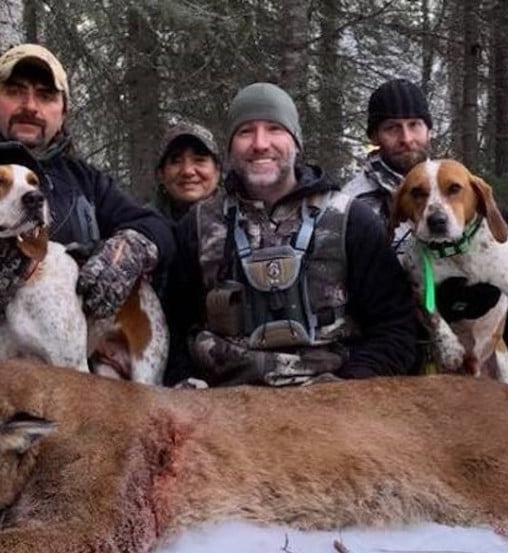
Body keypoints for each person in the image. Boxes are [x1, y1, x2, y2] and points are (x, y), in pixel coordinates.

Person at [0, 44, 175, 377]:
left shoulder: (85, 179)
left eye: (46, 96)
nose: (30, 106)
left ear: (63, 111)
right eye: (15, 91)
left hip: (81, 379)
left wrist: (129, 250)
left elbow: (157, 227)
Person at [164, 82, 418, 387]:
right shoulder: (198, 226)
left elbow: (396, 327)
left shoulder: (352, 220)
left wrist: (351, 387)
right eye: (245, 132)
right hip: (224, 409)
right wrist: (185, 386)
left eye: (274, 128)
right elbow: (172, 328)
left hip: (334, 405)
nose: (260, 143)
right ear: (230, 148)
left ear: (296, 141)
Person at [342, 78, 508, 394]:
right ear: (374, 136)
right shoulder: (353, 205)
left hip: (483, 320)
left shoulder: (460, 180)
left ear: (429, 130)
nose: (407, 138)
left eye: (415, 125)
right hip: (410, 323)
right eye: (392, 128)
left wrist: (494, 277)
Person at [149, 120, 221, 222]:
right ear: (161, 173)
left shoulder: (242, 221)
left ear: (217, 170)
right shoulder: (142, 228)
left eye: (199, 160)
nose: (187, 171)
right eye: (176, 161)